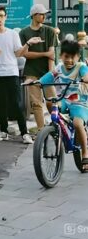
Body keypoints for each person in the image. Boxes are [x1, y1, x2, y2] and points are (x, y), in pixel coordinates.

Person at [0, 5, 41, 144]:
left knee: (17, 103)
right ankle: (4, 131)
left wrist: (28, 44)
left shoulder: (12, 34)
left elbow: (19, 53)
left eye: (2, 15)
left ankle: (24, 133)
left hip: (11, 72)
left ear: (6, 17)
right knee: (1, 103)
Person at [38, 39, 88, 171]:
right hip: (64, 100)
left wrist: (85, 79)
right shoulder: (58, 68)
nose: (69, 60)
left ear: (78, 57)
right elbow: (47, 77)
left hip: (80, 102)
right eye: (66, 57)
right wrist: (36, 82)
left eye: (73, 57)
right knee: (50, 101)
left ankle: (85, 153)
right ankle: (57, 126)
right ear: (61, 56)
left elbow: (86, 75)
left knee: (77, 124)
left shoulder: (81, 67)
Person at [19, 4, 57, 129]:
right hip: (31, 71)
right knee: (36, 103)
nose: (44, 16)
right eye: (41, 14)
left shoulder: (49, 31)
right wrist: (44, 54)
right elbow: (25, 54)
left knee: (52, 102)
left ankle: (56, 126)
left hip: (47, 71)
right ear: (34, 15)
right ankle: (41, 130)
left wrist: (51, 73)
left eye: (45, 14)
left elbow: (52, 54)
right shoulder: (24, 32)